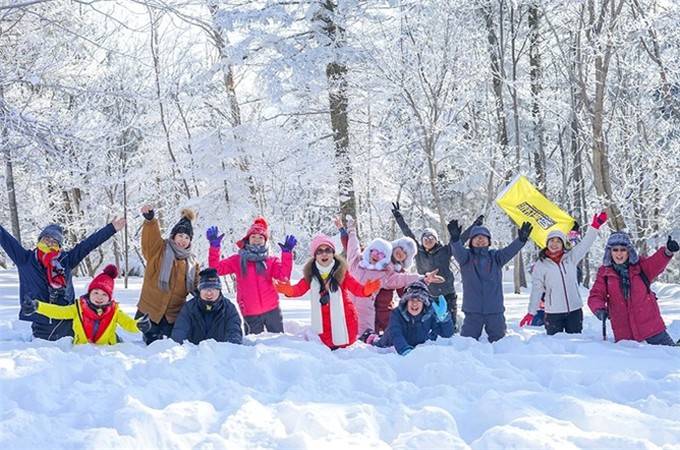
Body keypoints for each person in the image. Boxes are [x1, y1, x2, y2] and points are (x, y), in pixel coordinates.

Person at [0, 218, 125, 340]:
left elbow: (88, 245)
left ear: (59, 246)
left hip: (66, 320)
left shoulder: (65, 261)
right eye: (46, 238)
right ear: (39, 240)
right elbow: (5, 239)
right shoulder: (25, 260)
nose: (49, 242)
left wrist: (111, 229)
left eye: (54, 241)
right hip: (41, 322)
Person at [340, 215, 443, 336]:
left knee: (371, 337)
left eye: (405, 253)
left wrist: (424, 279)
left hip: (381, 311)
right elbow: (352, 249)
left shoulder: (395, 273)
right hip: (357, 304)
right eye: (401, 248)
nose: (401, 253)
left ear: (407, 258)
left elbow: (405, 283)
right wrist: (346, 231)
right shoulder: (374, 256)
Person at [275, 234, 381, 349]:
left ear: (333, 253)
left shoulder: (341, 272)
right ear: (315, 256)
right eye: (319, 251)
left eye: (328, 250)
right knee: (327, 348)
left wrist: (366, 290)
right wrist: (289, 290)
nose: (324, 254)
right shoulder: (311, 275)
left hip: (345, 320)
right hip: (323, 324)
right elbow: (298, 289)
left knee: (343, 349)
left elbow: (356, 289)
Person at [391, 202, 483, 330]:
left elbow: (460, 239)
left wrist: (475, 225)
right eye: (425, 238)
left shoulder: (445, 250)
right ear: (422, 241)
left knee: (449, 324)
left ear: (436, 239)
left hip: (447, 293)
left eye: (431, 237)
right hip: (426, 295)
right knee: (430, 326)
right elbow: (408, 234)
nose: (428, 240)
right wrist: (398, 217)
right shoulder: (418, 252)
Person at [520, 212, 607, 335]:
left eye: (558, 241)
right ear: (547, 243)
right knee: (555, 346)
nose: (554, 244)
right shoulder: (541, 265)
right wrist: (531, 312)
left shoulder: (571, 258)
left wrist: (595, 227)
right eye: (552, 241)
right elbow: (537, 290)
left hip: (574, 310)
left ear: (563, 244)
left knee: (576, 343)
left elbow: (585, 244)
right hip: (553, 313)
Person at [20, 264, 151, 345]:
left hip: (107, 353)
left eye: (104, 295)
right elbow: (59, 312)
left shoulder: (114, 311)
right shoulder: (78, 308)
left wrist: (139, 325)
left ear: (110, 298)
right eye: (96, 292)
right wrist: (38, 306)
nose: (99, 297)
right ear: (89, 293)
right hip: (82, 351)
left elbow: (129, 324)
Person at [207, 217, 295, 334]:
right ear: (248, 239)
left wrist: (287, 254)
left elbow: (283, 276)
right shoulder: (238, 260)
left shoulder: (271, 260)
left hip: (272, 311)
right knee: (254, 348)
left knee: (278, 343)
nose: (257, 240)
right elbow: (216, 269)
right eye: (253, 237)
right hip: (250, 312)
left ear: (265, 241)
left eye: (260, 237)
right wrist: (214, 247)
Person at [449, 218, 533, 342]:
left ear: (489, 241)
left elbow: (510, 251)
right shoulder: (466, 258)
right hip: (473, 311)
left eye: (484, 237)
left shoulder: (496, 257)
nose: (480, 239)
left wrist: (521, 240)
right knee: (466, 343)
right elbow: (457, 251)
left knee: (500, 342)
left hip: (495, 310)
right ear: (471, 242)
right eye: (476, 237)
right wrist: (455, 240)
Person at [588, 232, 679, 346]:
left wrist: (667, 251)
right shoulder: (604, 272)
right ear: (609, 252)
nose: (619, 253)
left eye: (623, 249)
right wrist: (599, 309)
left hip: (652, 329)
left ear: (629, 251)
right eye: (615, 250)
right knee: (632, 364)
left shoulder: (640, 266)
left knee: (671, 355)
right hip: (625, 334)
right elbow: (596, 295)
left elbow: (656, 263)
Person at [135, 206, 200, 344]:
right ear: (173, 235)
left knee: (172, 345)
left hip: (173, 315)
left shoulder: (192, 261)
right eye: (180, 235)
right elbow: (150, 240)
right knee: (150, 344)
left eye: (187, 237)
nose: (183, 240)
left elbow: (196, 283)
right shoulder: (159, 250)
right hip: (151, 309)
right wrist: (150, 221)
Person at [363, 280, 454, 355]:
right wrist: (404, 349)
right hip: (391, 341)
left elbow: (446, 334)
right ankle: (370, 337)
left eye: (419, 300)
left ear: (424, 303)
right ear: (406, 302)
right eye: (411, 300)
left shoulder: (429, 315)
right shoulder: (397, 313)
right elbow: (396, 334)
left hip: (417, 341)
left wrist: (444, 319)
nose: (415, 303)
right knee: (379, 341)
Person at [171, 268, 243, 345]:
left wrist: (230, 349)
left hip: (221, 354)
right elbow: (179, 332)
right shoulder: (189, 308)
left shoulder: (229, 308)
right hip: (193, 354)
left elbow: (234, 332)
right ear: (200, 290)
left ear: (219, 290)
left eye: (213, 289)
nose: (209, 293)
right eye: (205, 289)